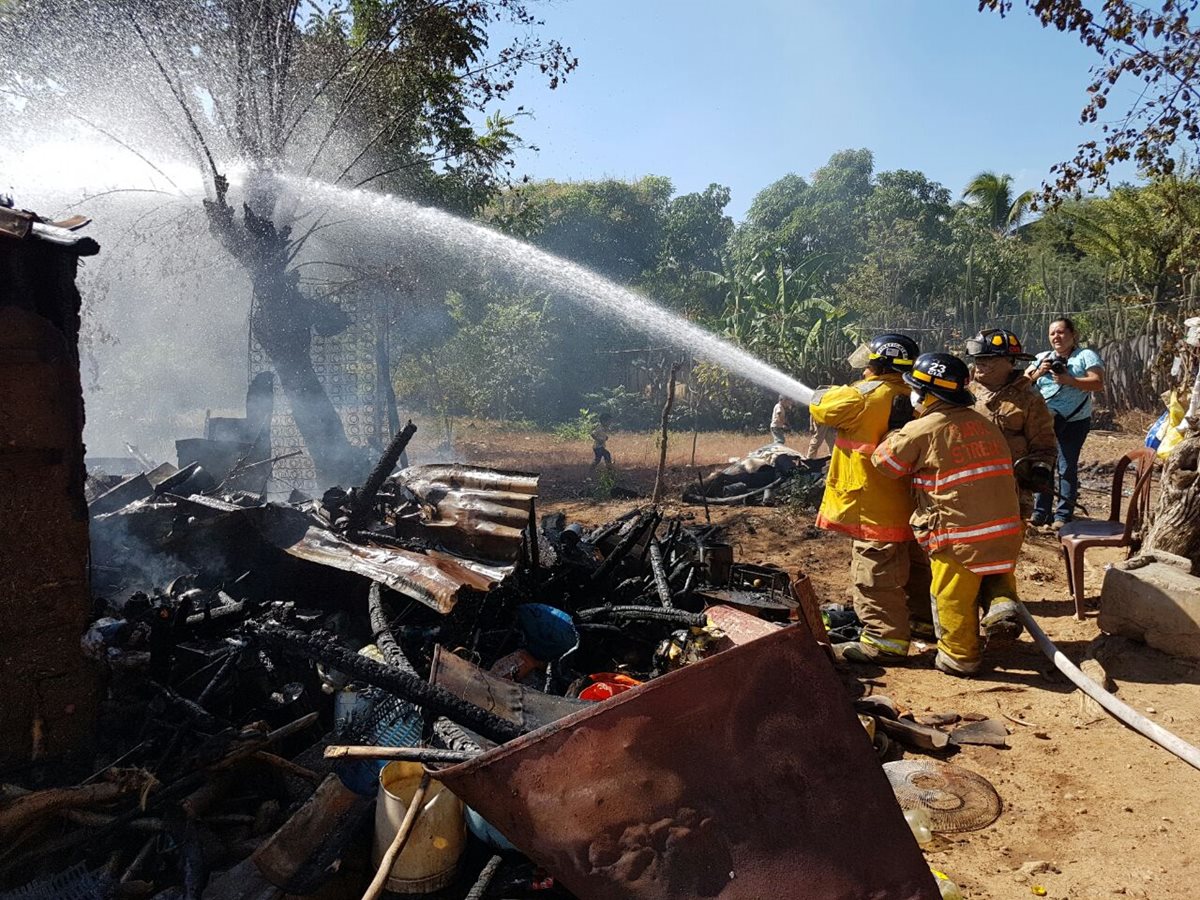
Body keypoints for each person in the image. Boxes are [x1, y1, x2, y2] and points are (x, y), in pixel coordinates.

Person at [871, 352, 1025, 676]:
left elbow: (885, 463)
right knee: (993, 569)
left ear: (926, 393)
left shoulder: (923, 428)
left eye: (915, 388)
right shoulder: (983, 422)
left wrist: (897, 429)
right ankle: (1002, 604)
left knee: (951, 595)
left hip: (960, 537)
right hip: (1005, 531)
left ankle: (959, 657)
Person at [809, 332, 932, 664]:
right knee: (917, 569)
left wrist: (840, 389)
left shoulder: (863, 396)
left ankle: (883, 642)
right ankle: (924, 623)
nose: (864, 369)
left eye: (869, 364)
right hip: (912, 505)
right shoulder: (920, 397)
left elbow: (821, 406)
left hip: (872, 505)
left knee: (875, 576)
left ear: (878, 365)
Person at [966, 328, 1057, 645]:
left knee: (1001, 554)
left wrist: (1039, 472)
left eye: (989, 359)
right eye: (978, 358)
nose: (981, 364)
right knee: (966, 555)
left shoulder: (1029, 399)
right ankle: (964, 623)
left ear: (1010, 362)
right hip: (967, 491)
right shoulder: (962, 391)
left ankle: (1000, 613)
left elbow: (1045, 446)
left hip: (1011, 493)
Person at [1024, 317, 1105, 528]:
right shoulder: (1042, 357)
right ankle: (1040, 512)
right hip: (1044, 421)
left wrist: (1070, 380)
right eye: (1052, 333)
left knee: (1066, 466)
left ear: (1073, 334)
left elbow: (1097, 383)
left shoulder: (1085, 356)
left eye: (1060, 332)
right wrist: (1040, 372)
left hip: (1074, 421)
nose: (1056, 337)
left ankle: (1063, 515)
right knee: (1043, 464)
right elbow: (1023, 382)